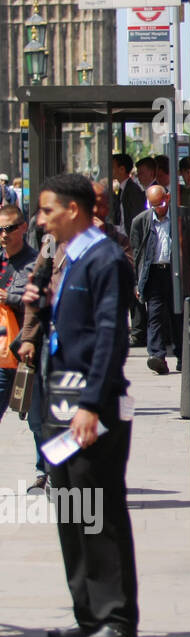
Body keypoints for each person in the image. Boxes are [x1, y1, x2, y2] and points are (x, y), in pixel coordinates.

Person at [28, 173, 138, 637]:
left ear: (74, 210)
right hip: (58, 406)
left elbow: (111, 336)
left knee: (99, 512)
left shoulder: (105, 258)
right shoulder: (67, 257)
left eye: (48, 210)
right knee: (72, 513)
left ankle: (116, 616)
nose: (41, 220)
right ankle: (88, 612)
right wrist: (42, 304)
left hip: (91, 409)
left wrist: (92, 404)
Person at [15, 211, 60, 493]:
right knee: (37, 413)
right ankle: (46, 469)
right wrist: (29, 337)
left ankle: (60, 471)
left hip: (84, 344)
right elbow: (37, 286)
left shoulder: (103, 243)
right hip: (47, 338)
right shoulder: (51, 244)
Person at [129, 185, 180, 374]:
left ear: (168, 197)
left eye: (161, 203)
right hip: (153, 272)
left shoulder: (178, 218)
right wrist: (137, 281)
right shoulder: (141, 221)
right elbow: (136, 253)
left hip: (174, 272)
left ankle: (182, 356)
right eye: (153, 205)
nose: (158, 208)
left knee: (178, 315)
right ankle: (157, 356)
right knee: (155, 315)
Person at [0, 204, 37, 417]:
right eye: (0, 230)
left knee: (37, 423)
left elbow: (43, 303)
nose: (4, 235)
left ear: (23, 228)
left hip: (24, 349)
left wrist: (10, 298)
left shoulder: (35, 263)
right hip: (2, 352)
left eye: (9, 228)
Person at [92, 181, 133, 262]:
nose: (95, 210)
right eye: (90, 205)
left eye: (100, 205)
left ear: (107, 209)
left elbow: (127, 269)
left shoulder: (121, 241)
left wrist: (103, 238)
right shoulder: (71, 240)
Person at [113, 153, 145, 230]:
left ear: (122, 169)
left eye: (113, 167)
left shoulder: (132, 190)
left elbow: (137, 217)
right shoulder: (122, 189)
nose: (110, 170)